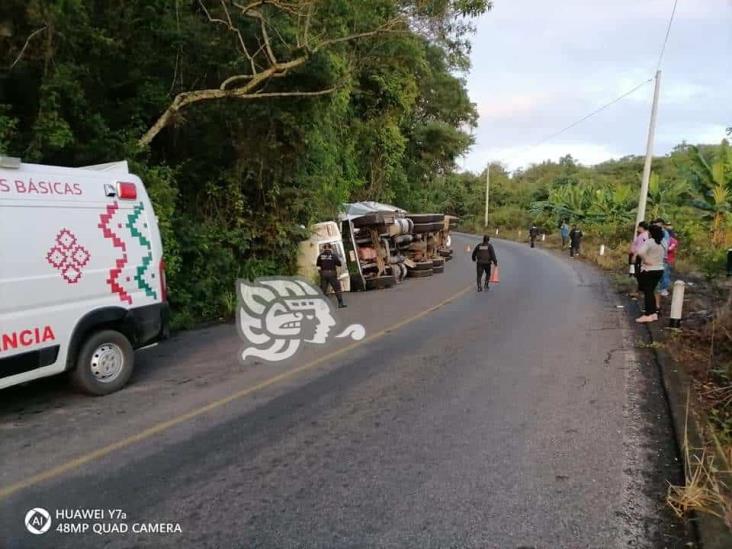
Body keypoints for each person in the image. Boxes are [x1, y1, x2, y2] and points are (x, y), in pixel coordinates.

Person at [635, 224, 666, 323]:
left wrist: (646, 260)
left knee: (648, 293)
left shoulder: (650, 242)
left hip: (649, 270)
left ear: (651, 233)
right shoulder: (664, 242)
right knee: (651, 292)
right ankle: (653, 314)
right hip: (660, 269)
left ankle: (648, 314)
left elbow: (640, 252)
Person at [316, 243, 346, 308]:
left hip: (323, 273)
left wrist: (321, 273)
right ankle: (340, 304)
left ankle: (321, 306)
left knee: (323, 290)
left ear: (323, 248)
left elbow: (318, 266)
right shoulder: (333, 255)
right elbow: (339, 264)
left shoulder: (320, 256)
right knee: (337, 288)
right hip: (332, 273)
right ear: (330, 248)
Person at [629, 221, 649, 291]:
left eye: (639, 227)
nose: (637, 228)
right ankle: (638, 287)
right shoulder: (645, 235)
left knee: (636, 272)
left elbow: (639, 248)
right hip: (640, 256)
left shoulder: (642, 236)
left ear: (642, 227)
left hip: (638, 256)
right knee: (637, 271)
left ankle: (637, 288)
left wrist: (634, 255)